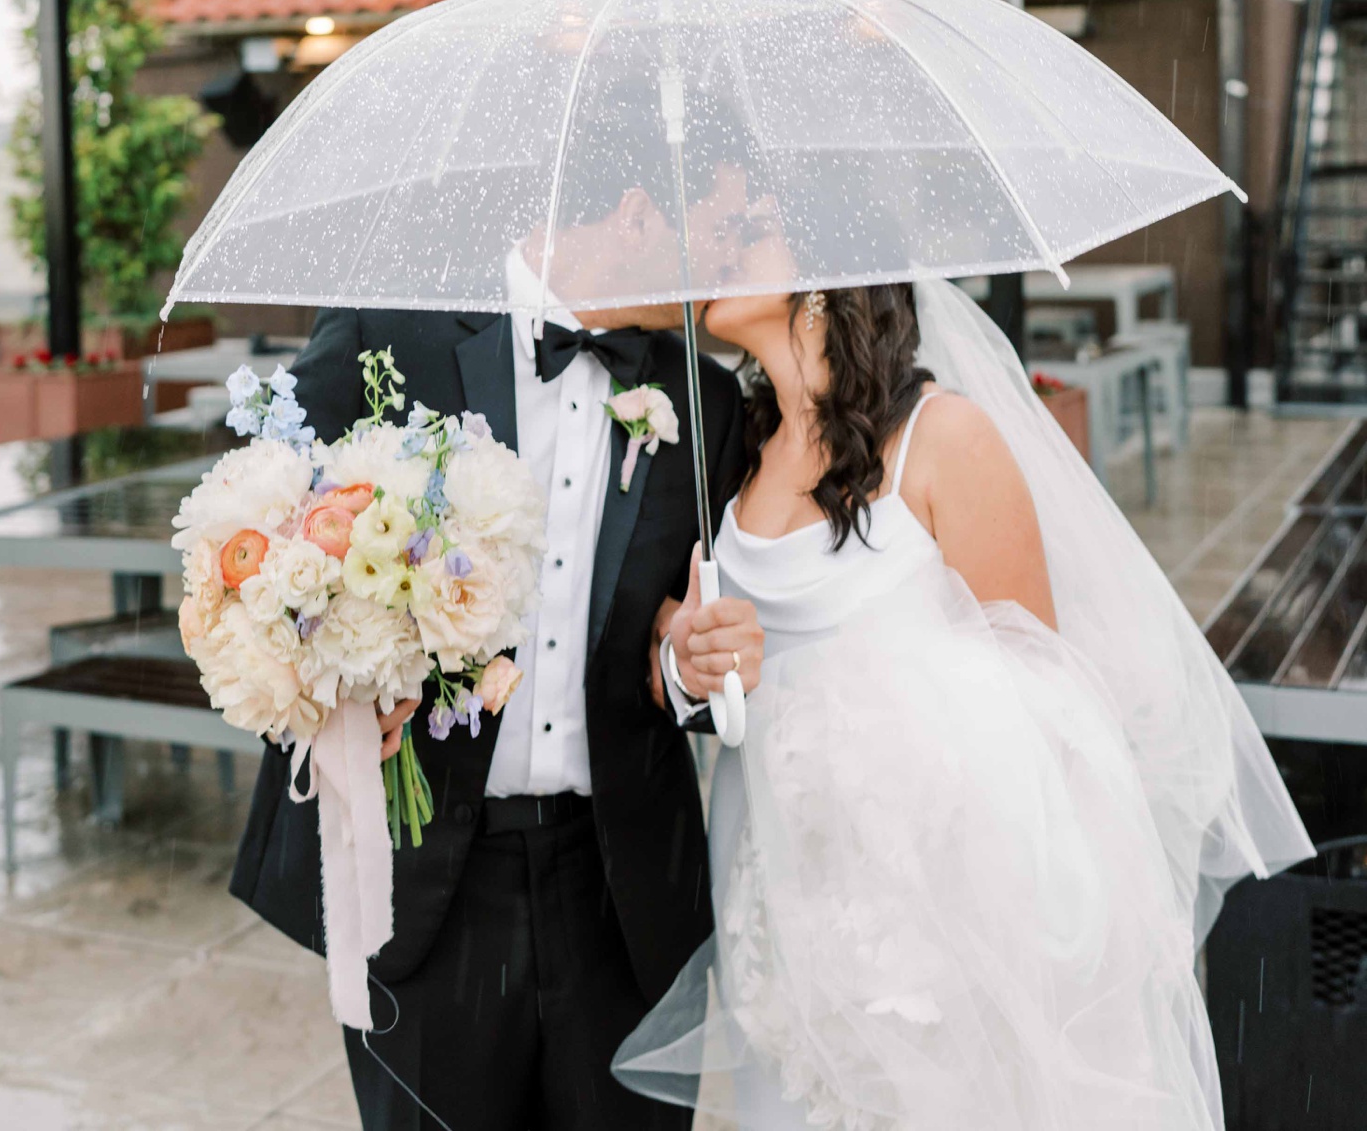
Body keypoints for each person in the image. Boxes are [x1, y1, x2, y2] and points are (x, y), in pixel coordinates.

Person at [618, 257, 1314, 1130]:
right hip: (768, 895)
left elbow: (1048, 707)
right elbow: (664, 631)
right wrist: (682, 651)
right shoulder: (735, 441)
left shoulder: (945, 440)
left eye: (749, 227)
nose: (715, 249)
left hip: (915, 921)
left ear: (829, 269)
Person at [229, 115, 765, 1131]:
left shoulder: (703, 401)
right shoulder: (397, 332)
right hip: (424, 881)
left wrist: (691, 669)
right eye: (722, 224)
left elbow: (680, 641)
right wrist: (323, 689)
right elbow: (247, 549)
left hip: (620, 890)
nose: (731, 254)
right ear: (640, 212)